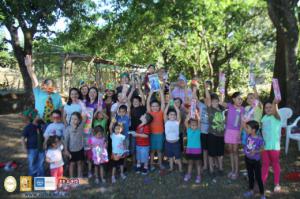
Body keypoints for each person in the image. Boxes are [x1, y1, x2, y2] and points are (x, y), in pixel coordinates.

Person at [25, 55, 63, 123]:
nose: (49, 86)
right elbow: (33, 78)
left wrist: (60, 121)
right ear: (44, 85)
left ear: (54, 86)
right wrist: (28, 66)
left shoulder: (57, 96)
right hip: (38, 121)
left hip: (53, 122)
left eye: (51, 85)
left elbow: (60, 109)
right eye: (47, 84)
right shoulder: (38, 92)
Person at [220, 92, 245, 180]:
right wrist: (221, 92)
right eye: (238, 98)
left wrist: (240, 133)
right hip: (228, 131)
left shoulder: (242, 109)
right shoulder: (230, 106)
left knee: (235, 152)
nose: (240, 100)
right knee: (230, 151)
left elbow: (242, 122)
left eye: (241, 99)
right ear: (233, 99)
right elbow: (221, 102)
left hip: (236, 132)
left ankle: (237, 171)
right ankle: (233, 169)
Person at [261, 99, 282, 193]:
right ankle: (262, 182)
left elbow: (275, 110)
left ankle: (276, 183)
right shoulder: (263, 118)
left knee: (275, 164)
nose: (269, 109)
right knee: (265, 164)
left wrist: (274, 103)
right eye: (266, 107)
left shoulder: (276, 116)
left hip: (274, 147)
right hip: (265, 147)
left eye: (270, 107)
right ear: (264, 109)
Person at [205, 85, 225, 175]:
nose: (214, 102)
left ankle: (220, 168)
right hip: (212, 134)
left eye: (216, 101)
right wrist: (206, 88)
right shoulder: (210, 109)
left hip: (221, 135)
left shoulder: (222, 110)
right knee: (211, 153)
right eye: (213, 101)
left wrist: (222, 83)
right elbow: (208, 98)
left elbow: (222, 97)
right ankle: (211, 169)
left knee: (220, 153)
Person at [243, 121, 265, 199]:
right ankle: (251, 190)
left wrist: (255, 151)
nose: (246, 129)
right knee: (250, 175)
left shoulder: (259, 139)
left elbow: (262, 149)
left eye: (248, 128)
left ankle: (262, 194)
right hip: (247, 159)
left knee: (258, 177)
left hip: (255, 161)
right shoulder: (248, 135)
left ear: (253, 130)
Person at [21, 108, 45, 177]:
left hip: (41, 148)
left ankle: (40, 178)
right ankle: (32, 177)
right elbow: (22, 138)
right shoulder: (28, 127)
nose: (39, 116)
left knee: (40, 163)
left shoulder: (41, 125)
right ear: (34, 117)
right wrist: (24, 148)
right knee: (32, 164)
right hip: (31, 149)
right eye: (37, 115)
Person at [147, 90, 165, 171]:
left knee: (159, 150)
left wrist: (161, 92)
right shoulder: (149, 112)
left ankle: (160, 164)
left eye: (157, 106)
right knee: (152, 151)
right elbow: (147, 103)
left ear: (159, 106)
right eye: (153, 106)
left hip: (160, 134)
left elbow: (163, 102)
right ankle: (151, 165)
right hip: (152, 134)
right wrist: (151, 93)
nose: (155, 107)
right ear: (151, 107)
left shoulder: (161, 112)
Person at [64, 112, 85, 178]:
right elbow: (66, 140)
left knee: (79, 163)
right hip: (71, 150)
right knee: (72, 164)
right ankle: (71, 178)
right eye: (72, 119)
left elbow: (85, 117)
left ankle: (79, 177)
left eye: (75, 119)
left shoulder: (81, 126)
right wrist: (66, 150)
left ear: (79, 120)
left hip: (80, 149)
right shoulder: (68, 129)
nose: (73, 120)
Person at [164, 101, 182, 172]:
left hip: (176, 143)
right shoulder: (166, 121)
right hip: (168, 143)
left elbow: (178, 112)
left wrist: (174, 105)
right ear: (168, 116)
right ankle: (171, 168)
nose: (173, 116)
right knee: (170, 157)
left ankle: (180, 169)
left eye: (174, 115)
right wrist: (168, 104)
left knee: (178, 157)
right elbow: (165, 112)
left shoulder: (177, 122)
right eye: (171, 114)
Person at [184, 114, 202, 183]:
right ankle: (188, 174)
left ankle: (199, 176)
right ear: (190, 125)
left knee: (198, 164)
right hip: (190, 150)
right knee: (190, 163)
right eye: (192, 125)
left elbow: (199, 120)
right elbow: (186, 122)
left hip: (197, 150)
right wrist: (188, 115)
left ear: (197, 125)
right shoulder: (188, 130)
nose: (194, 126)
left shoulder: (198, 130)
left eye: (195, 125)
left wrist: (197, 114)